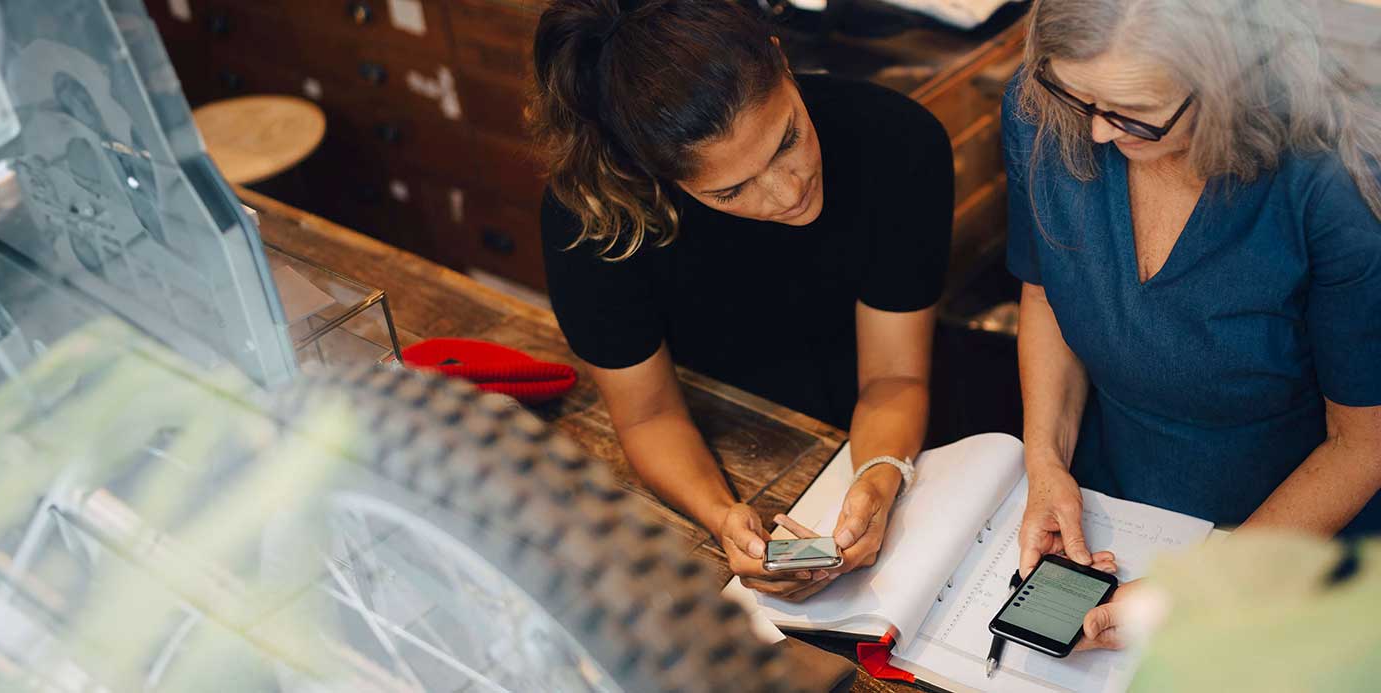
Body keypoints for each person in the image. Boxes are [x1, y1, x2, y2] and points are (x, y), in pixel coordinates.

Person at [530, 0, 954, 601]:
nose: (788, 192)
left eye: (787, 139)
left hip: (880, 413)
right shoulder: (598, 219)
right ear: (655, 176)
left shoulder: (897, 142)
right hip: (727, 424)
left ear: (781, 61)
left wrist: (879, 476)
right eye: (731, 191)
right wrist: (721, 514)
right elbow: (648, 414)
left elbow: (893, 376)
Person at [1005, 0, 1381, 649]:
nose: (1096, 133)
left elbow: (1363, 442)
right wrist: (1046, 460)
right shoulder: (1044, 107)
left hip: (1292, 540)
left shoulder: (1330, 181)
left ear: (1229, 81)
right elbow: (1044, 296)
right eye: (1080, 95)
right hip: (1114, 508)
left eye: (1132, 114)